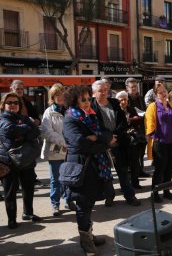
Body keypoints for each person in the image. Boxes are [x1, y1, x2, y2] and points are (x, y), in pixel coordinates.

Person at [63, 85, 114, 254]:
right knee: (83, 205)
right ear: (74, 101)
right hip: (80, 166)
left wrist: (97, 138)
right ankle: (86, 242)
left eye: (87, 99)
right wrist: (102, 145)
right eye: (82, 100)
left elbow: (107, 133)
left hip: (95, 165)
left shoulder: (92, 115)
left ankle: (89, 235)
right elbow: (78, 143)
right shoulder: (71, 118)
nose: (86, 103)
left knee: (89, 203)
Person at [91, 80, 140, 206]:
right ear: (94, 93)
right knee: (105, 173)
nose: (103, 93)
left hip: (118, 142)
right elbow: (93, 126)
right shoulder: (91, 106)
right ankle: (109, 196)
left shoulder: (114, 103)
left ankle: (129, 196)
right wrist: (108, 137)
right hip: (102, 144)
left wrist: (115, 136)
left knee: (123, 172)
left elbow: (123, 121)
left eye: (105, 90)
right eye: (100, 91)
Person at [0, 92, 42, 229]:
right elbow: (10, 130)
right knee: (10, 191)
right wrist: (27, 129)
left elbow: (36, 131)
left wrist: (24, 132)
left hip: (26, 159)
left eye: (15, 102)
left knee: (28, 188)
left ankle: (28, 213)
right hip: (8, 161)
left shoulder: (23, 117)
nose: (13, 105)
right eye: (9, 103)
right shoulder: (2, 119)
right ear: (3, 105)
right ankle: (11, 219)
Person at [41, 83, 75, 216]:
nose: (60, 98)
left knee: (69, 178)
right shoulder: (48, 112)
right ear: (52, 97)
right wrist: (63, 142)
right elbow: (47, 132)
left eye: (62, 95)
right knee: (55, 179)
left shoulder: (70, 110)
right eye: (57, 95)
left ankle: (68, 200)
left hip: (70, 150)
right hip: (55, 151)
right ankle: (55, 204)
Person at [145, 83, 172, 203]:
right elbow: (149, 124)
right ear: (156, 94)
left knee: (169, 168)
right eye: (160, 92)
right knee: (159, 169)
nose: (163, 94)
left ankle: (166, 191)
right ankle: (155, 193)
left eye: (164, 91)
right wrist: (155, 137)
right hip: (160, 143)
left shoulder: (171, 105)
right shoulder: (152, 106)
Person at [116, 91, 146, 189]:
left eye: (125, 100)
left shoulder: (131, 109)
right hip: (121, 141)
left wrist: (134, 121)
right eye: (121, 100)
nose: (123, 102)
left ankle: (135, 183)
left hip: (133, 140)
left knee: (135, 162)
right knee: (123, 165)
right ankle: (124, 185)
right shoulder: (116, 111)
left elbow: (138, 121)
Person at [125, 77, 149, 177]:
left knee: (142, 152)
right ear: (127, 88)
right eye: (132, 87)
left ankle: (140, 170)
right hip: (132, 130)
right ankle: (134, 172)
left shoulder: (140, 98)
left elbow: (144, 109)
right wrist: (132, 118)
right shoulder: (125, 99)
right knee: (134, 154)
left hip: (142, 128)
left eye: (135, 86)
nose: (134, 89)